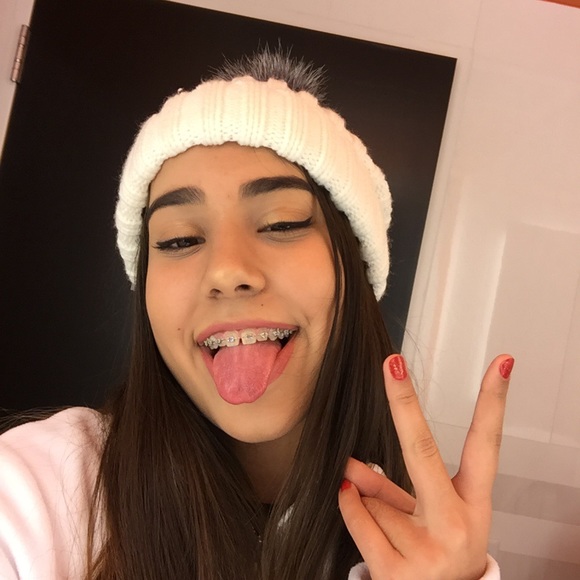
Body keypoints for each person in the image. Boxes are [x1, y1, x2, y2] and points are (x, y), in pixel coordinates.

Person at [0, 48, 513, 579]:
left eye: (281, 223)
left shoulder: (422, 539)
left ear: (355, 268)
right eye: (179, 239)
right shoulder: (38, 488)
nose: (227, 271)